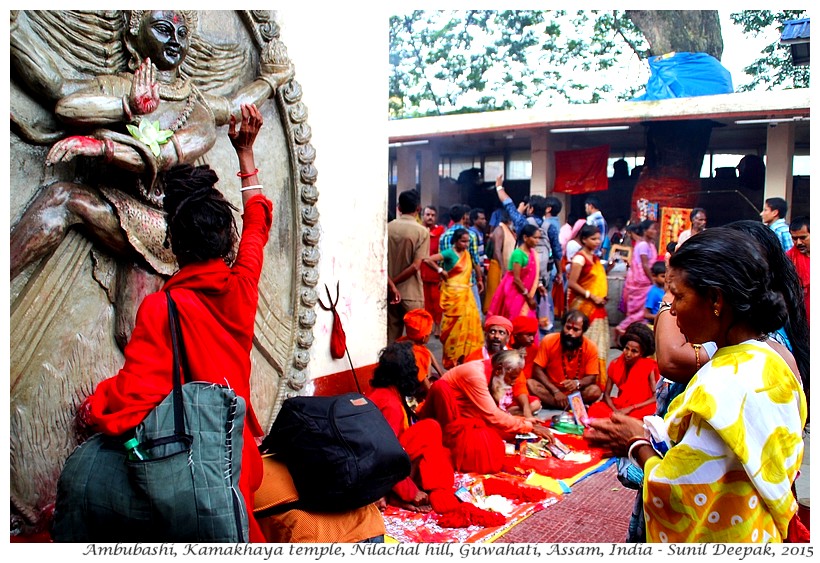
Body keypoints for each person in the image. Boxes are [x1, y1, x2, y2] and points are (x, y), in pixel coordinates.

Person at [10, 10, 294, 348]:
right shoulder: (120, 87)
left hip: (167, 227)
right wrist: (13, 30)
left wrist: (273, 81)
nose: (175, 40)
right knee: (130, 331)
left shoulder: (197, 107)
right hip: (126, 207)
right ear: (133, 38)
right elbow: (64, 100)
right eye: (162, 29)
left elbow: (225, 112)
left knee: (136, 335)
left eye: (182, 33)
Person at [77, 104, 272, 541]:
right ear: (227, 241)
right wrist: (244, 154)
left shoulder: (160, 308)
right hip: (237, 458)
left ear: (173, 247)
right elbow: (258, 222)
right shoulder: (241, 287)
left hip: (190, 465)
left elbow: (132, 398)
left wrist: (95, 406)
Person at [587, 228, 807, 543]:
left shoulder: (722, 384)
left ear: (716, 299)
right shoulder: (773, 360)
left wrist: (636, 444)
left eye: (677, 295)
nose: (671, 309)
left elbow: (681, 494)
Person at [367, 342, 455, 514]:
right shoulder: (390, 404)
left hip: (383, 463)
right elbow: (386, 456)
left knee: (429, 428)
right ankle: (396, 496)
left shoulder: (385, 391)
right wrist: (410, 492)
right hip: (381, 469)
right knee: (429, 429)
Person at [424, 228, 484, 368]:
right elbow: (427, 259)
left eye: (467, 241)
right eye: (463, 241)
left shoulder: (467, 254)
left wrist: (480, 279)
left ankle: (467, 357)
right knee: (453, 327)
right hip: (453, 296)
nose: (466, 244)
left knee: (469, 325)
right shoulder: (449, 253)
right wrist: (440, 270)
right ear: (455, 241)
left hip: (466, 295)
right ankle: (453, 358)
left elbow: (475, 266)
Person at [463, 315, 540, 418]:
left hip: (507, 400)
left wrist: (527, 412)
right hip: (483, 398)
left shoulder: (513, 356)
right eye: (493, 331)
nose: (496, 336)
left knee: (535, 404)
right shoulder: (474, 357)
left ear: (508, 338)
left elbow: (519, 386)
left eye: (501, 333)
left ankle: (500, 415)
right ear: (486, 334)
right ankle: (499, 415)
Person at [566, 224, 614, 382]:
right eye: (593, 239)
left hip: (598, 307)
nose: (597, 242)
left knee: (598, 345)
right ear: (584, 239)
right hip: (584, 307)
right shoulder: (580, 258)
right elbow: (572, 283)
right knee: (583, 343)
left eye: (599, 238)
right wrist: (591, 296)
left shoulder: (595, 258)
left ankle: (594, 380)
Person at [527, 310, 603, 409]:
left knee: (595, 390)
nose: (570, 333)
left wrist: (577, 383)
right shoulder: (549, 340)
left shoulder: (590, 347)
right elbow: (537, 370)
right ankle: (571, 405)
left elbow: (591, 377)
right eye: (568, 327)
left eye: (575, 330)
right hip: (551, 390)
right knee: (530, 383)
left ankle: (558, 404)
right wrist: (555, 391)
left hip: (575, 392)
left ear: (583, 331)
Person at [587, 323, 658, 420]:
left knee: (650, 412)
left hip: (640, 407)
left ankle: (619, 423)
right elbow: (607, 394)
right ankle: (621, 422)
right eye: (626, 348)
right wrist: (615, 411)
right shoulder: (615, 363)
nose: (628, 354)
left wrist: (631, 408)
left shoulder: (649, 366)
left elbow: (655, 397)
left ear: (641, 353)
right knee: (595, 409)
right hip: (620, 406)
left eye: (634, 351)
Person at [387, 190, 430, 343]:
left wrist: (391, 285)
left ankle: (389, 366)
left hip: (389, 292)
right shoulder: (422, 231)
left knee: (391, 337)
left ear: (398, 207)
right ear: (418, 208)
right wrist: (396, 282)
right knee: (419, 338)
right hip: (411, 293)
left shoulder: (388, 228)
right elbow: (415, 266)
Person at [488, 224, 542, 323]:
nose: (537, 241)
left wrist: (539, 285)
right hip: (516, 293)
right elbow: (516, 279)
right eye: (535, 238)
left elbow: (532, 275)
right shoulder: (518, 254)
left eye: (539, 238)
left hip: (525, 293)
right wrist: (528, 297)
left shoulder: (532, 253)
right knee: (516, 320)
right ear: (525, 237)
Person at [439, 204, 485, 320]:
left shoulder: (443, 236)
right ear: (465, 217)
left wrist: (441, 278)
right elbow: (475, 261)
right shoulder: (471, 235)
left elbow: (441, 262)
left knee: (452, 314)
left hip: (450, 283)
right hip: (468, 282)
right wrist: (480, 279)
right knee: (474, 312)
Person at [615, 219, 659, 337]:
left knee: (641, 311)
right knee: (638, 312)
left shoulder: (650, 244)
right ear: (645, 231)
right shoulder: (643, 245)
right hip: (641, 282)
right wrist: (653, 280)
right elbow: (645, 265)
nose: (655, 231)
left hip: (645, 281)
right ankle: (622, 328)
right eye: (653, 229)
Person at [396, 308, 445, 391]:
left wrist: (443, 375)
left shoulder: (402, 340)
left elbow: (428, 353)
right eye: (429, 334)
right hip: (411, 388)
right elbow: (424, 381)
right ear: (423, 338)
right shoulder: (418, 355)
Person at [483, 210, 516, 314]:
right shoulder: (499, 230)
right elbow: (497, 250)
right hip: (498, 267)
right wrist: (503, 268)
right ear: (510, 219)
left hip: (505, 268)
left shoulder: (508, 230)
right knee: (494, 297)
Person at [421, 206, 446, 336]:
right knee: (425, 303)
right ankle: (427, 327)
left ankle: (437, 327)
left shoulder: (440, 232)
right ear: (423, 216)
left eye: (432, 215)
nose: (430, 217)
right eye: (427, 214)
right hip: (422, 273)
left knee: (437, 303)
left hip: (436, 274)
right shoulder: (419, 230)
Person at [786, 216, 810, 324]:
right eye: (794, 239)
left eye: (803, 237)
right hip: (802, 318)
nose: (798, 243)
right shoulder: (789, 258)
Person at [643, 261, 666, 325]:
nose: (666, 279)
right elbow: (646, 314)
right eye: (663, 276)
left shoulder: (667, 290)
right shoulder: (653, 292)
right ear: (654, 276)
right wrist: (663, 317)